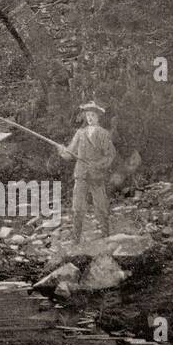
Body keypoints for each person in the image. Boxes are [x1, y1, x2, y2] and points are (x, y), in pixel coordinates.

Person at [60, 100, 116, 244]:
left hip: (96, 176)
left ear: (98, 117)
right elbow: (70, 153)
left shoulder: (104, 134)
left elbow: (110, 156)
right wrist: (62, 151)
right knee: (77, 208)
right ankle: (75, 239)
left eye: (93, 115)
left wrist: (97, 165)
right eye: (88, 115)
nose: (90, 118)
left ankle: (106, 236)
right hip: (81, 175)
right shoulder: (80, 133)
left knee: (101, 207)